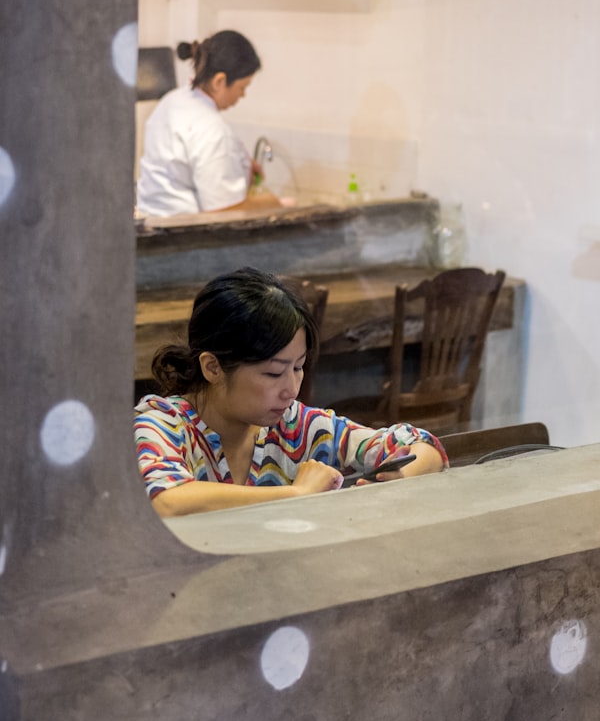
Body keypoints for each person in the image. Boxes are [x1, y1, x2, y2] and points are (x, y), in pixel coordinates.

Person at [134, 268, 449, 517]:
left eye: (298, 368)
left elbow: (420, 446)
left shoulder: (295, 427)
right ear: (213, 367)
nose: (291, 389)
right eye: (273, 373)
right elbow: (166, 501)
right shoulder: (162, 424)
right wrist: (295, 495)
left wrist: (404, 476)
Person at [136, 30, 281, 217]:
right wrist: (270, 204)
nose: (242, 95)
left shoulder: (172, 100)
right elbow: (222, 213)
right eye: (242, 87)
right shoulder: (211, 129)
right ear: (219, 81)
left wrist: (239, 165)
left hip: (150, 220)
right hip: (182, 232)